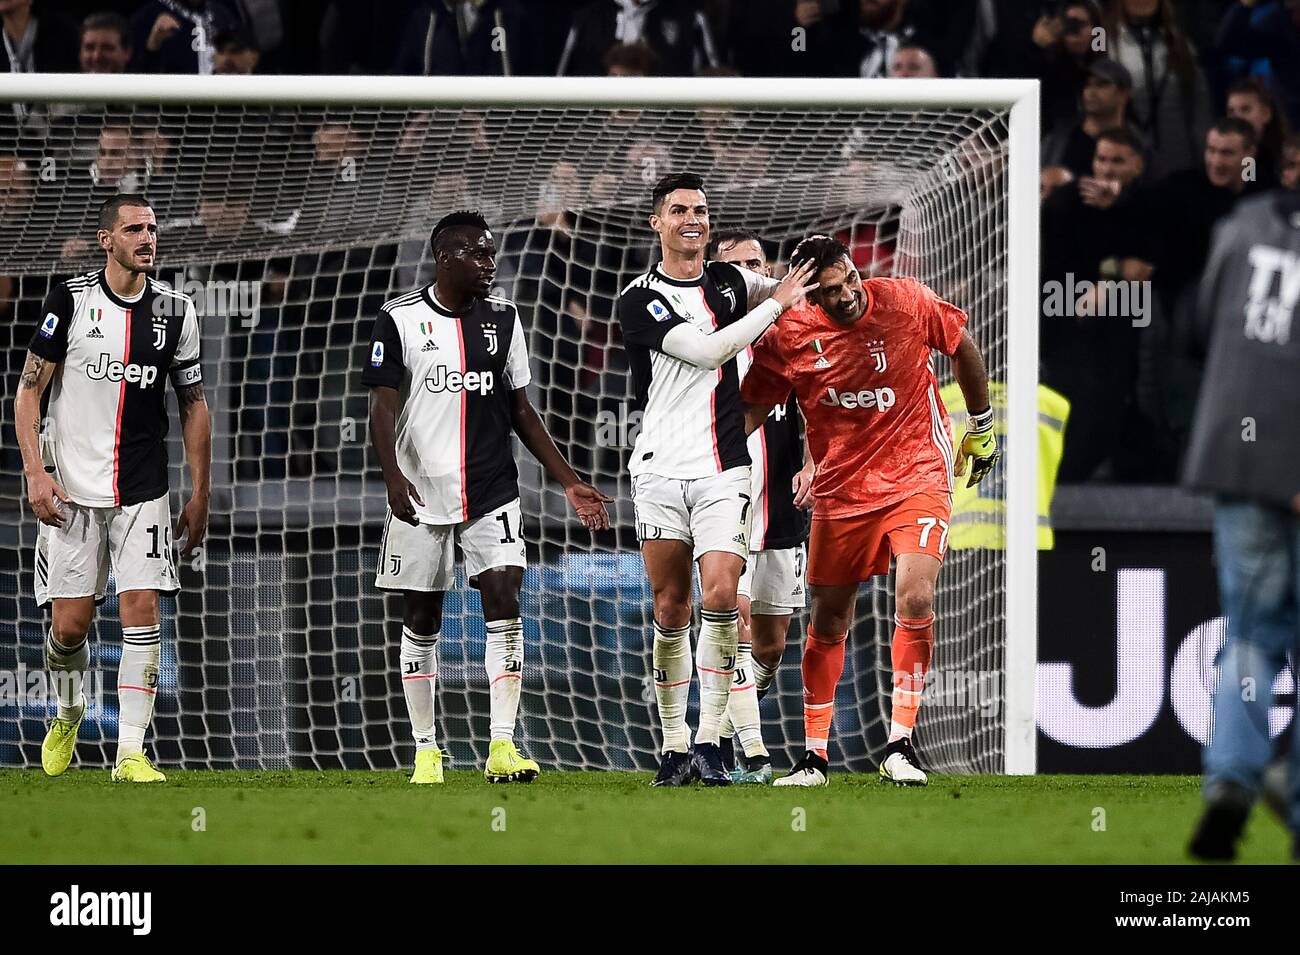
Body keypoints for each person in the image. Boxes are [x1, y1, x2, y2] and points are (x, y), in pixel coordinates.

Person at [363, 210, 611, 785]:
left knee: (503, 596)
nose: (490, 263)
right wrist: (393, 478)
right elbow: (381, 405)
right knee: (422, 615)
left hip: (492, 488)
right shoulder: (399, 319)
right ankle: (427, 749)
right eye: (478, 253)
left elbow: (521, 408)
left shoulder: (504, 318)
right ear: (446, 257)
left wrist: (567, 479)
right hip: (421, 493)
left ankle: (502, 745)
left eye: (492, 252)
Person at [740, 235, 998, 787]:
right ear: (810, 294)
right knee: (830, 618)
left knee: (917, 594)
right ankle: (814, 758)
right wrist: (704, 460)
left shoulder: (906, 301)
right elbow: (752, 409)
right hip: (842, 487)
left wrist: (982, 425)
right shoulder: (789, 336)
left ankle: (900, 746)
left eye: (850, 280)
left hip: (918, 472)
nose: (848, 296)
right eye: (831, 292)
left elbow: (963, 345)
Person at [613, 173, 816, 787]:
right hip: (658, 470)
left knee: (724, 595)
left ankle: (710, 741)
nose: (692, 219)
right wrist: (777, 303)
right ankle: (673, 744)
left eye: (701, 210)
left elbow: (796, 286)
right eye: (678, 210)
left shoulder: (733, 281)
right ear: (657, 222)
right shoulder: (638, 298)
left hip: (725, 469)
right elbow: (706, 352)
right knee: (672, 606)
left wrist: (821, 266)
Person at [13, 194, 211, 783]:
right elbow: (29, 392)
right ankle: (69, 711)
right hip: (72, 490)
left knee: (142, 608)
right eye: (133, 229)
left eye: (152, 229)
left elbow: (194, 404)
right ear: (107, 240)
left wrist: (201, 490)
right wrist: (35, 472)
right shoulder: (70, 301)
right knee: (69, 627)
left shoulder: (176, 311)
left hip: (144, 487)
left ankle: (131, 754)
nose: (147, 238)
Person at [1184, 188, 1300, 861]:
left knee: (1250, 640)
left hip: (1239, 458)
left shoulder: (1243, 226)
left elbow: (1202, 324)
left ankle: (1231, 781)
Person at [708, 229, 814, 785]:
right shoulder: (708, 335)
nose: (752, 271)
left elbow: (822, 406)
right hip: (724, 497)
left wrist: (814, 462)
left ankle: (723, 730)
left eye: (758, 262)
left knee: (771, 643)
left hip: (782, 505)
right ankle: (733, 745)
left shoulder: (796, 333)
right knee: (736, 619)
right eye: (737, 265)